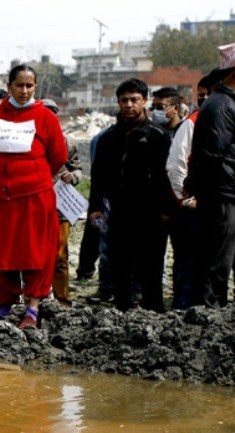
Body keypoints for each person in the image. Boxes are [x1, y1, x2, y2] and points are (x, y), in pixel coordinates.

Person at [0, 65, 67, 329]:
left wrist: (32, 178)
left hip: (34, 198)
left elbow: (58, 156)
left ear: (35, 87)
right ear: (9, 86)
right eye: (19, 85)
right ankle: (3, 306)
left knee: (36, 252)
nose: (24, 91)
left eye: (30, 86)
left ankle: (33, 308)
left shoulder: (46, 118)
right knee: (0, 253)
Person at [187, 39, 235, 307]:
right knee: (216, 262)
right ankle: (209, 314)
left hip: (226, 192)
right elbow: (212, 156)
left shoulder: (227, 104)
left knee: (220, 260)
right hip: (221, 195)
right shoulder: (222, 106)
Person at [88, 79, 172, 312]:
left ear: (144, 101)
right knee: (120, 264)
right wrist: (95, 207)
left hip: (151, 212)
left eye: (134, 100)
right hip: (119, 211)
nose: (129, 105)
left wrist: (166, 209)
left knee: (151, 266)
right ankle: (124, 309)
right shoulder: (108, 139)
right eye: (124, 100)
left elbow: (166, 176)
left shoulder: (158, 136)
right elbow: (98, 177)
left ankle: (153, 309)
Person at [165, 73, 217, 309]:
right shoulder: (192, 123)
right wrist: (186, 200)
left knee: (213, 265)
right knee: (187, 263)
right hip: (193, 209)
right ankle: (182, 310)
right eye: (202, 95)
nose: (206, 99)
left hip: (221, 206)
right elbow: (175, 166)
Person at [41, 99, 82, 307]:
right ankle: (35, 296)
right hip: (34, 207)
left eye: (52, 113)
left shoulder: (68, 142)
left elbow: (78, 169)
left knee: (60, 256)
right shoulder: (27, 142)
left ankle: (62, 299)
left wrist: (72, 177)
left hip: (60, 207)